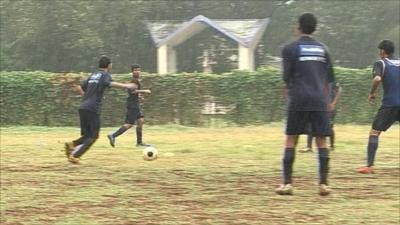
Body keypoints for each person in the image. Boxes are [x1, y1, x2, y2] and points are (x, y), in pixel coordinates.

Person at [276, 13, 335, 196]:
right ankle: (323, 185)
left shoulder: (290, 49)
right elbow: (329, 79)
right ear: (315, 28)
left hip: (299, 99)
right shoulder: (324, 50)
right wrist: (328, 101)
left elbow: (286, 77)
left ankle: (287, 184)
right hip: (319, 100)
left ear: (298, 27)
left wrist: (287, 93)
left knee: (291, 139)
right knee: (321, 141)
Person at [64, 56, 136, 164]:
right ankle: (75, 156)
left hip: (83, 107)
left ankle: (72, 144)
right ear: (109, 65)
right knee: (93, 136)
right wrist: (127, 86)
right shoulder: (104, 75)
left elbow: (79, 87)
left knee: (87, 135)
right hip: (93, 109)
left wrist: (86, 97)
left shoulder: (93, 75)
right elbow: (111, 84)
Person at [357, 40, 400, 174]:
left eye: (379, 50)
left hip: (390, 104)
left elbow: (377, 79)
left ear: (382, 51)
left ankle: (369, 166)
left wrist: (372, 93)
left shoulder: (381, 63)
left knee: (374, 132)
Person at [107, 64, 151, 148]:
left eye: (138, 70)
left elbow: (134, 93)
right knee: (129, 124)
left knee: (140, 121)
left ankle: (139, 143)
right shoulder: (133, 81)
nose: (137, 71)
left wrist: (139, 96)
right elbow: (132, 92)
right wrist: (144, 91)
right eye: (135, 70)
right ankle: (113, 135)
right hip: (132, 105)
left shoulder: (136, 80)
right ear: (132, 72)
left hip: (135, 104)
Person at [300, 82, 342, 152]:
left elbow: (339, 89)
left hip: (328, 107)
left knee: (329, 126)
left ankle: (331, 146)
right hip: (316, 106)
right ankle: (309, 147)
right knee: (311, 125)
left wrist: (333, 103)